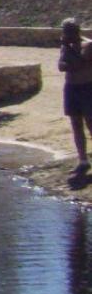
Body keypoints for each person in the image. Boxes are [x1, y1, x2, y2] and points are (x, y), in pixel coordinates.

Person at [59, 18, 92, 176]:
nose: (65, 35)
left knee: (90, 123)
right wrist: (67, 53)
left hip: (87, 87)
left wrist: (68, 52)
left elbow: (79, 64)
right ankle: (83, 160)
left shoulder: (88, 45)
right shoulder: (66, 46)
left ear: (75, 31)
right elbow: (61, 66)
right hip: (71, 88)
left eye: (67, 31)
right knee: (76, 124)